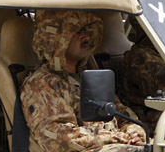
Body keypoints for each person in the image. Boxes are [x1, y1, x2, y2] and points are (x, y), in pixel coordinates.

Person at [20, 10, 146, 152]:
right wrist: (118, 138)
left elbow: (123, 114)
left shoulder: (90, 76)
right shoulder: (41, 84)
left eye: (85, 31)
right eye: (76, 32)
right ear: (56, 40)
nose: (86, 36)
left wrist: (135, 133)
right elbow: (59, 138)